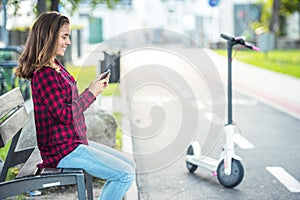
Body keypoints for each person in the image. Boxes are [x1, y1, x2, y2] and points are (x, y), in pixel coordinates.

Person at [15, 11, 135, 200]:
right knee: (124, 175)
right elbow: (64, 114)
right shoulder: (45, 74)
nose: (68, 42)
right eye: (64, 36)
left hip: (71, 143)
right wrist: (91, 93)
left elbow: (67, 104)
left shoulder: (55, 66)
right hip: (62, 150)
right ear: (49, 37)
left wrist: (91, 89)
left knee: (130, 166)